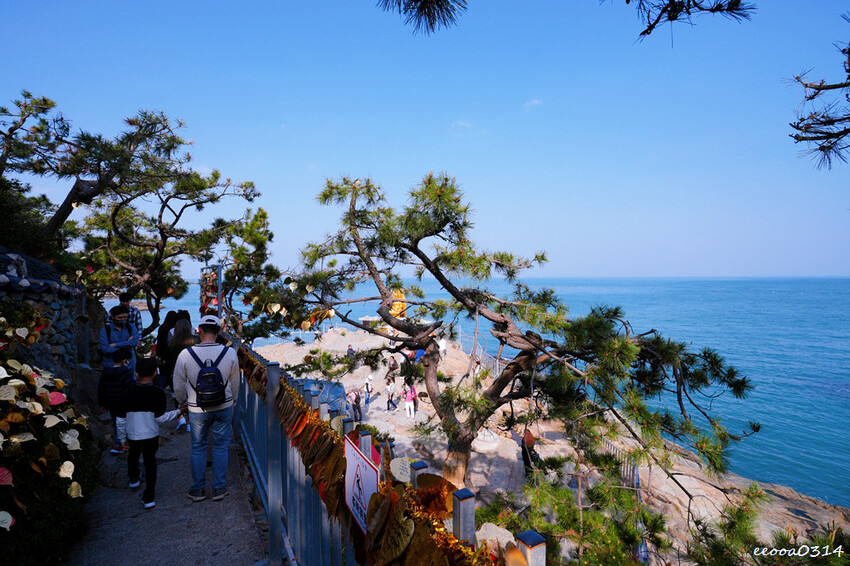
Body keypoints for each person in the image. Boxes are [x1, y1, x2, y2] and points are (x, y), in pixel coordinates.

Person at [173, 314, 240, 503]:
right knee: (220, 447)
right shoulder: (229, 353)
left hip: (196, 408)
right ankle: (219, 488)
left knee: (198, 447)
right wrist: (233, 402)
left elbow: (178, 385)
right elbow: (235, 383)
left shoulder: (186, 354)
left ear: (199, 331)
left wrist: (182, 403)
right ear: (219, 332)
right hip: (224, 405)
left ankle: (198, 489)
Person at [121, 357, 183, 509]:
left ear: (136, 374)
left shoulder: (128, 392)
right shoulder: (158, 393)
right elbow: (161, 418)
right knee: (150, 463)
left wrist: (122, 438)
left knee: (133, 455)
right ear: (156, 373)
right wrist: (178, 412)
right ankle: (149, 497)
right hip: (150, 434)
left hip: (133, 432)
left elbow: (121, 418)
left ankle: (134, 479)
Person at [98, 347, 134, 454]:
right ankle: (121, 445)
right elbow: (129, 390)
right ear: (124, 361)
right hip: (124, 404)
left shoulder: (106, 372)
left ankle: (117, 445)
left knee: (116, 423)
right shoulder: (127, 373)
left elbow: (101, 389)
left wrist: (103, 404)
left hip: (112, 403)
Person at [100, 304, 139, 373]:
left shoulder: (131, 327)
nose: (123, 320)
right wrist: (127, 344)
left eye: (125, 317)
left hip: (130, 364)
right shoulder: (105, 330)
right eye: (120, 318)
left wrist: (114, 345)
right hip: (111, 364)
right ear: (112, 317)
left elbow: (134, 342)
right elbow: (105, 349)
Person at [165, 319, 197, 392]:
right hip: (193, 371)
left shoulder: (172, 342)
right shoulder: (196, 340)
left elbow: (168, 360)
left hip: (177, 371)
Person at [155, 311, 178, 386]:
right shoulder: (173, 330)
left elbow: (158, 341)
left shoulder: (162, 327)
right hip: (170, 354)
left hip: (161, 353)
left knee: (162, 373)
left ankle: (160, 387)